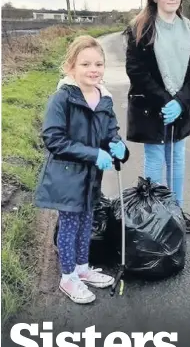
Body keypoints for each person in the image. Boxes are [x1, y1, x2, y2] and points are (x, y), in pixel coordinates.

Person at [35, 35, 129, 304]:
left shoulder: (104, 98)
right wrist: (93, 153)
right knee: (70, 225)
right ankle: (67, 277)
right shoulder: (61, 98)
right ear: (70, 67)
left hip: (90, 177)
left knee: (87, 221)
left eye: (98, 64)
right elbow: (54, 139)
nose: (93, 70)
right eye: (85, 64)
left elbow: (110, 132)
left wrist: (116, 145)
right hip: (66, 176)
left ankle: (82, 268)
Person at [124, 0, 190, 233]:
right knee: (155, 158)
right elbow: (136, 70)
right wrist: (164, 101)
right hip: (151, 107)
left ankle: (177, 213)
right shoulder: (140, 28)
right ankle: (154, 217)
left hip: (180, 107)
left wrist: (181, 101)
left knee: (178, 159)